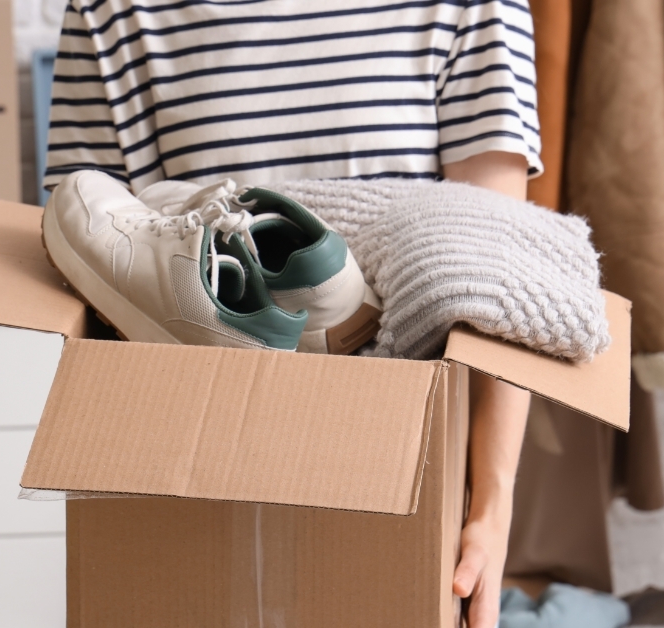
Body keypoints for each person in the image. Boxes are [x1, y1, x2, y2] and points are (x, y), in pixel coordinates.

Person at [45, 2, 540, 625]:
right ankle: (299, 296)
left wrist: (492, 512)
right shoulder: (111, 10)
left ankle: (262, 301)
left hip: (394, 447)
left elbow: (497, 273)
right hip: (200, 441)